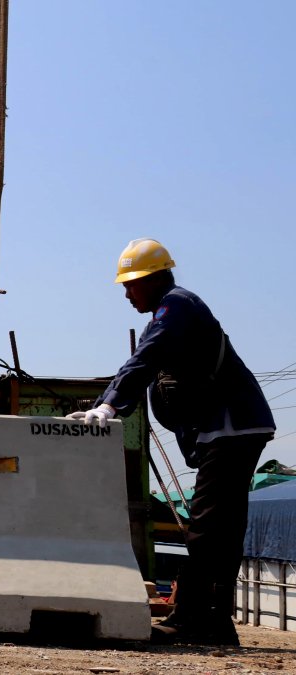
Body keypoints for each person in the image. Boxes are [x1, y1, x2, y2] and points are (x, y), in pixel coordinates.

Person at [69, 238, 275, 645]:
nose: (127, 293)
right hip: (235, 429)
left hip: (232, 428)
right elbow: (146, 362)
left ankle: (192, 618)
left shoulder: (176, 306)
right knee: (223, 528)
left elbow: (144, 359)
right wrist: (106, 402)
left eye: (132, 283)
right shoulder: (169, 313)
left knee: (206, 527)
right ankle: (215, 622)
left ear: (156, 278)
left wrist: (108, 407)